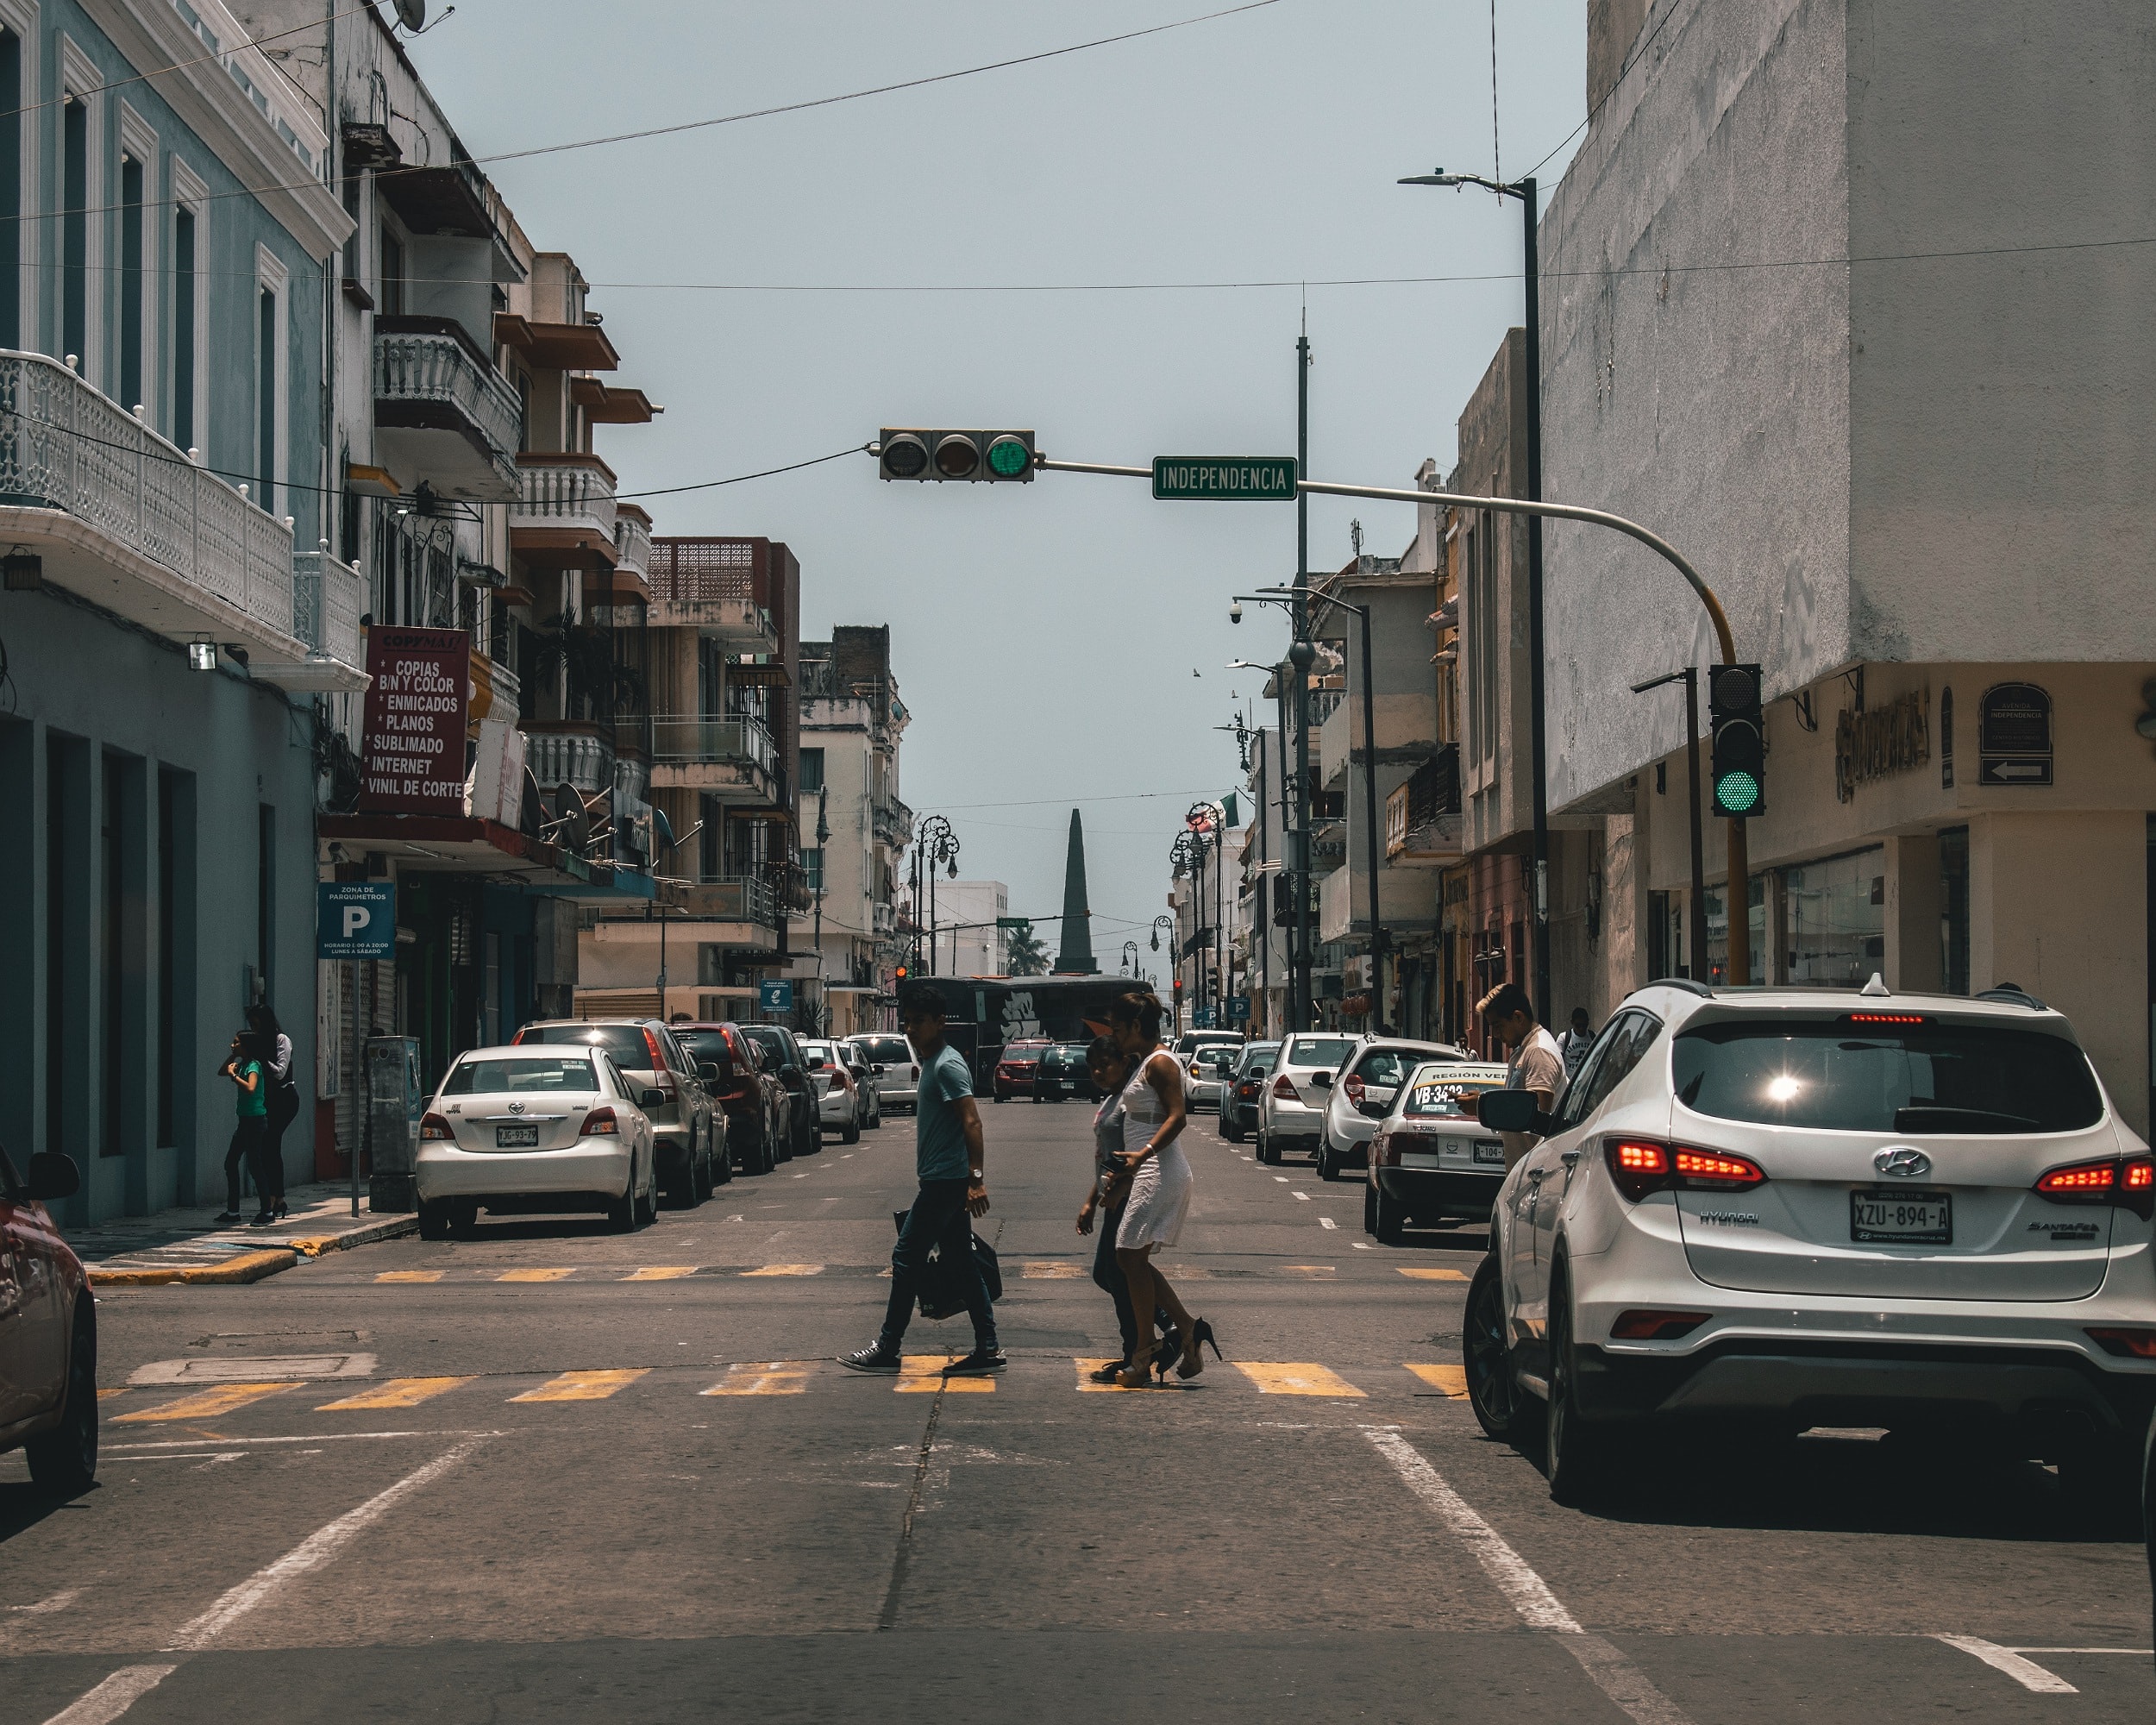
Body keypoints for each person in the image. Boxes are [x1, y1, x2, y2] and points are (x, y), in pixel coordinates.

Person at [839, 983, 1001, 1376]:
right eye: (907, 1022)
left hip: (945, 1184)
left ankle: (889, 1346)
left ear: (939, 1022)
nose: (911, 1029)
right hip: (941, 1181)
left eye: (919, 1022)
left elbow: (972, 1121)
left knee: (906, 1258)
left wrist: (975, 1179)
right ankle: (988, 1347)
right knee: (962, 1262)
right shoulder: (933, 1062)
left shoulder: (946, 1065)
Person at [1106, 989, 1219, 1388]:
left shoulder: (1161, 1063)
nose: (1114, 1037)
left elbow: (1178, 1117)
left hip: (1161, 1169)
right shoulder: (1144, 1063)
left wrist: (1144, 1155)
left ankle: (1145, 1350)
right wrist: (1122, 1180)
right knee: (1130, 1259)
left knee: (1127, 1257)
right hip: (1146, 1170)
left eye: (1118, 1029)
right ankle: (1185, 1329)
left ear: (1137, 1026)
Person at [1076, 1037, 1179, 1384]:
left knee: (1117, 1274)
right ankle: (1164, 1330)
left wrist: (1117, 1189)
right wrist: (1091, 1200)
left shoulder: (1129, 1104)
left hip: (1128, 1194)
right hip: (1112, 1195)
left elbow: (1129, 1156)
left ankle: (1141, 1347)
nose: (1098, 1072)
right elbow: (1105, 1156)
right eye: (1092, 1067)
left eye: (1106, 1064)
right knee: (1111, 1274)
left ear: (1124, 1062)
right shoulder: (1113, 1099)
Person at [1480, 983, 1565, 1171]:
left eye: (1498, 1025)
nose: (1495, 1034)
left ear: (1518, 1017)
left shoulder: (1538, 1051)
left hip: (1536, 1172)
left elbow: (1535, 1116)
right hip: (1523, 1170)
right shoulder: (1524, 1049)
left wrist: (1487, 1108)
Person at [216, 1033, 273, 1226]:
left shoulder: (254, 1066)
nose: (232, 1044)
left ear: (246, 1046)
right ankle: (232, 1211)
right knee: (230, 1162)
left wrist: (234, 1076)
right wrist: (233, 1059)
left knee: (254, 1166)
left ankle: (267, 1212)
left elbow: (250, 1087)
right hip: (244, 1122)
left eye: (236, 1043)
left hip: (255, 1122)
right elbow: (221, 1071)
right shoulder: (242, 1064)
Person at [246, 1004, 294, 1222]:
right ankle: (278, 1199)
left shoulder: (281, 1040)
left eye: (256, 1025)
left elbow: (280, 1072)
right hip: (269, 1101)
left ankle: (276, 1197)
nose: (254, 1030)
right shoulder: (260, 1043)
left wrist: (262, 1059)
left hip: (285, 1099)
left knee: (271, 1145)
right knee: (267, 1148)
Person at [1557, 1006, 1595, 1079]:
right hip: (1570, 1083)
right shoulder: (1564, 1038)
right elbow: (1558, 1062)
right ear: (1572, 1022)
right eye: (1578, 1025)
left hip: (1588, 1083)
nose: (1581, 1028)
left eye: (1584, 1025)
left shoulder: (1593, 1037)